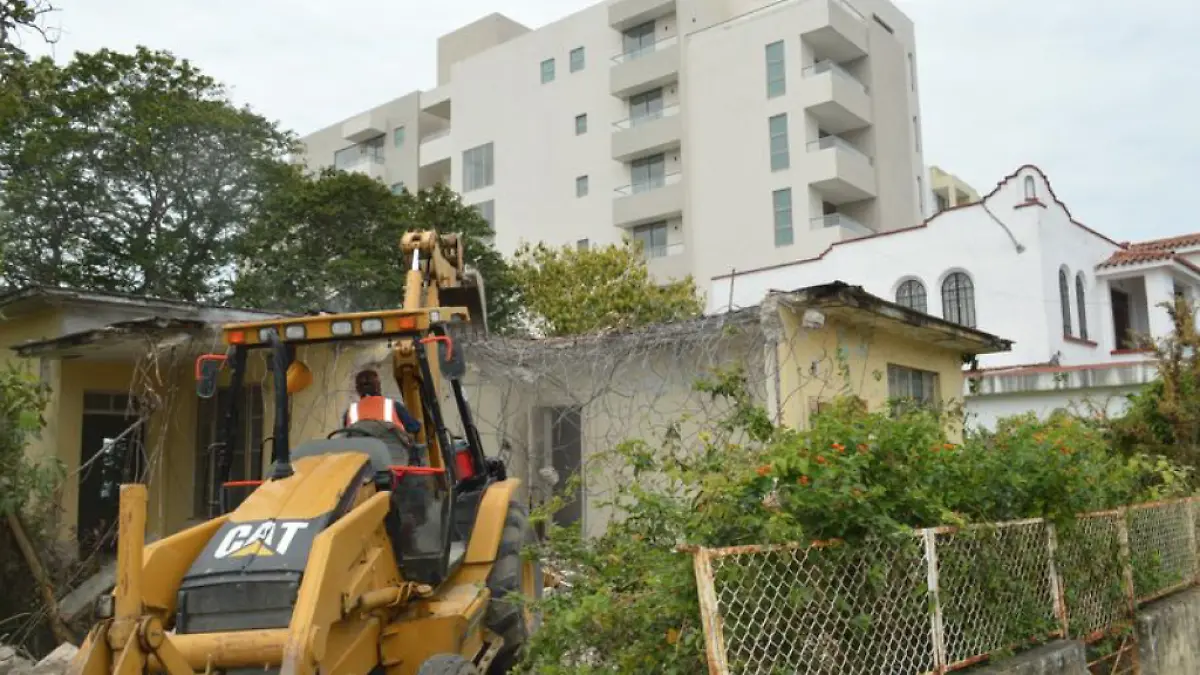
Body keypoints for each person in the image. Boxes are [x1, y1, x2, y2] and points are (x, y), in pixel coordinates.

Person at [343, 369, 422, 435]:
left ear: (358, 390)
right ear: (378, 387)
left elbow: (347, 436)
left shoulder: (349, 412)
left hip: (359, 452)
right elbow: (414, 427)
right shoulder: (393, 406)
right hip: (392, 451)